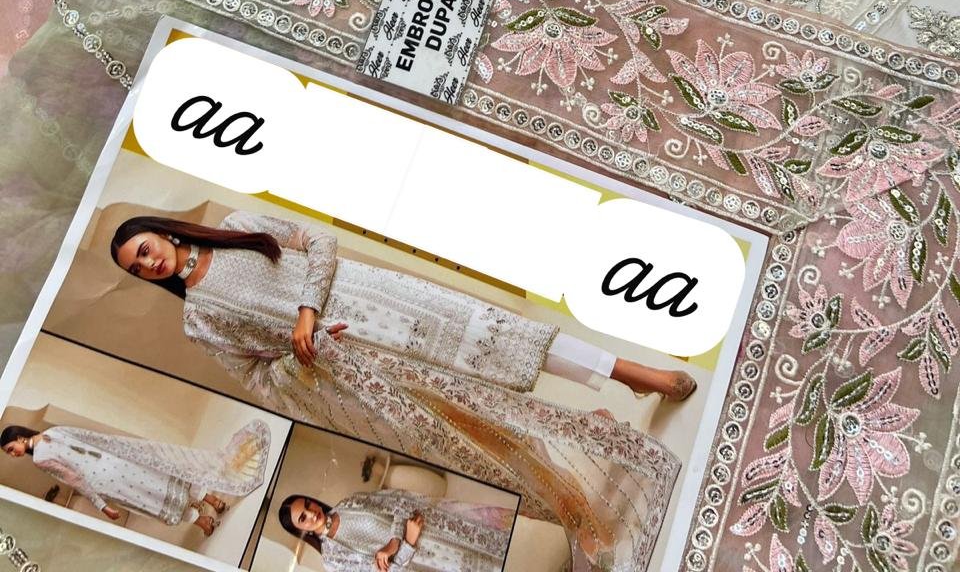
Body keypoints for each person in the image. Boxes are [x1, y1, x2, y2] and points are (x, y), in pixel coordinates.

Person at [108, 208, 683, 569]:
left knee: (508, 337)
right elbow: (259, 381)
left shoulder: (237, 228)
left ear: (161, 231)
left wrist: (306, 312)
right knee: (482, 434)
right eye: (137, 269)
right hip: (365, 370)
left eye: (143, 250)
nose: (148, 264)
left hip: (392, 306)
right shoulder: (198, 322)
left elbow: (319, 242)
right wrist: (307, 351)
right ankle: (575, 510)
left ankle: (636, 376)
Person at [1, 419, 269, 535]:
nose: (13, 454)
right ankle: (214, 501)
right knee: (164, 478)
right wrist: (124, 448)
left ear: (19, 438)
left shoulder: (39, 458)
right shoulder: (54, 431)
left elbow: (75, 479)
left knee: (154, 502)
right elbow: (94, 439)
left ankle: (205, 522)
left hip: (109, 483)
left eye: (10, 449)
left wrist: (101, 505)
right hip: (119, 461)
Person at [278, 490, 514, 571]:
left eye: (307, 505)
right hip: (428, 562)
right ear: (302, 530)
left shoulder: (350, 502)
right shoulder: (333, 560)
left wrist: (393, 542)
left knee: (507, 547)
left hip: (434, 528)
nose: (311, 514)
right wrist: (408, 543)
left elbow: (398, 502)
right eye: (303, 518)